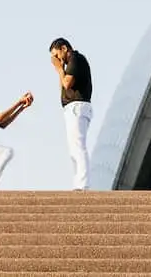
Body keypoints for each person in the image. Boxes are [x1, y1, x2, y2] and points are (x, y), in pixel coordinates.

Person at [49, 37, 93, 190]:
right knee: (74, 149)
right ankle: (79, 184)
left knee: (78, 146)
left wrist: (59, 69)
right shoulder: (72, 62)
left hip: (77, 107)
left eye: (56, 55)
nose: (56, 59)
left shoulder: (76, 58)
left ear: (64, 48)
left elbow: (67, 83)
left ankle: (83, 184)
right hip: (72, 108)